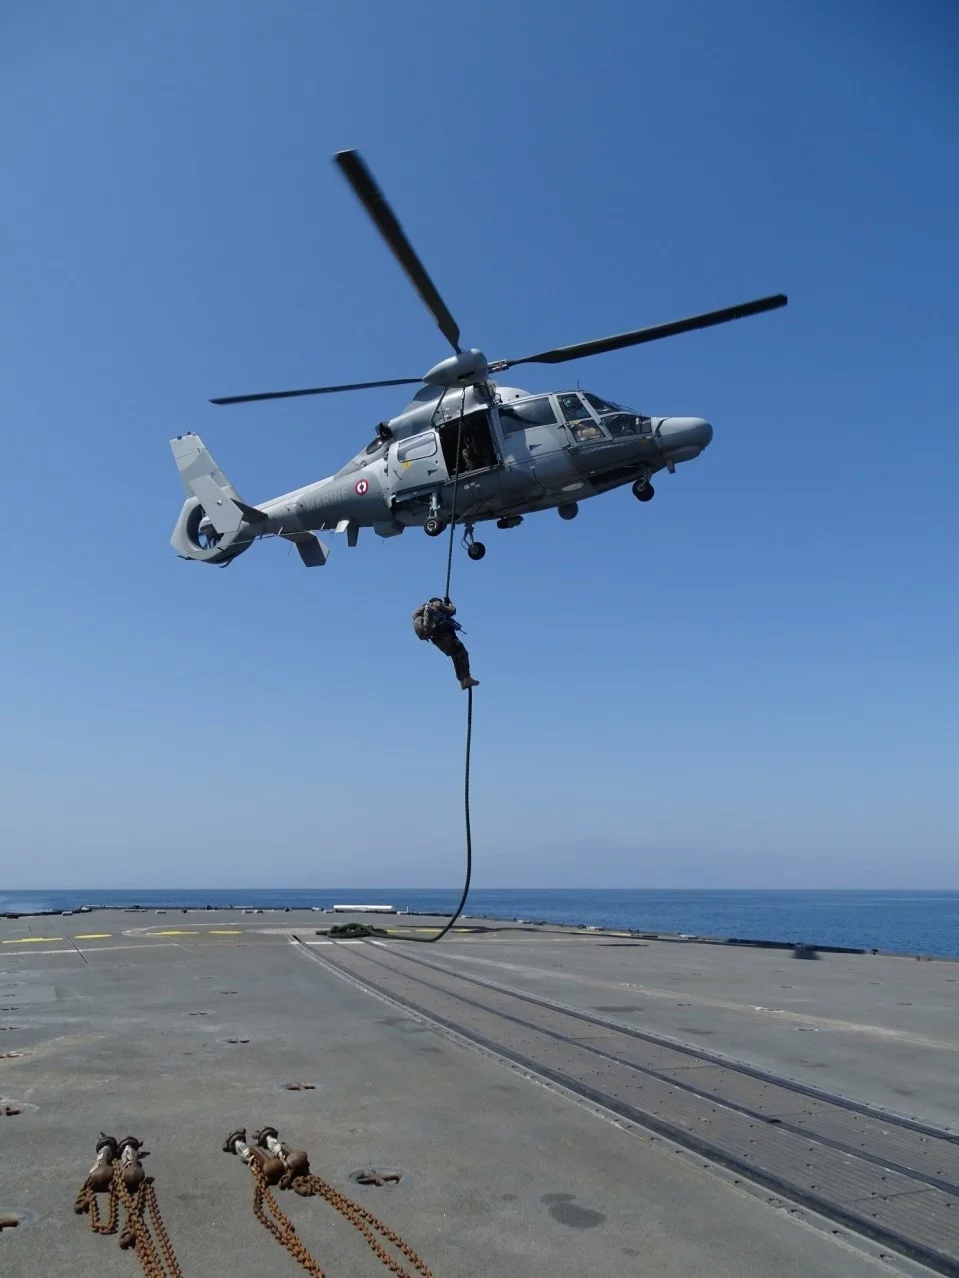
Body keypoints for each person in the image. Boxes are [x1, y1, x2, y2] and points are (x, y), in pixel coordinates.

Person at [412, 598, 479, 690]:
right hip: (446, 636)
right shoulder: (436, 604)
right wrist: (449, 603)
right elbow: (452, 611)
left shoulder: (423, 612)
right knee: (462, 652)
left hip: (438, 641)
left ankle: (462, 681)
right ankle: (466, 677)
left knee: (455, 656)